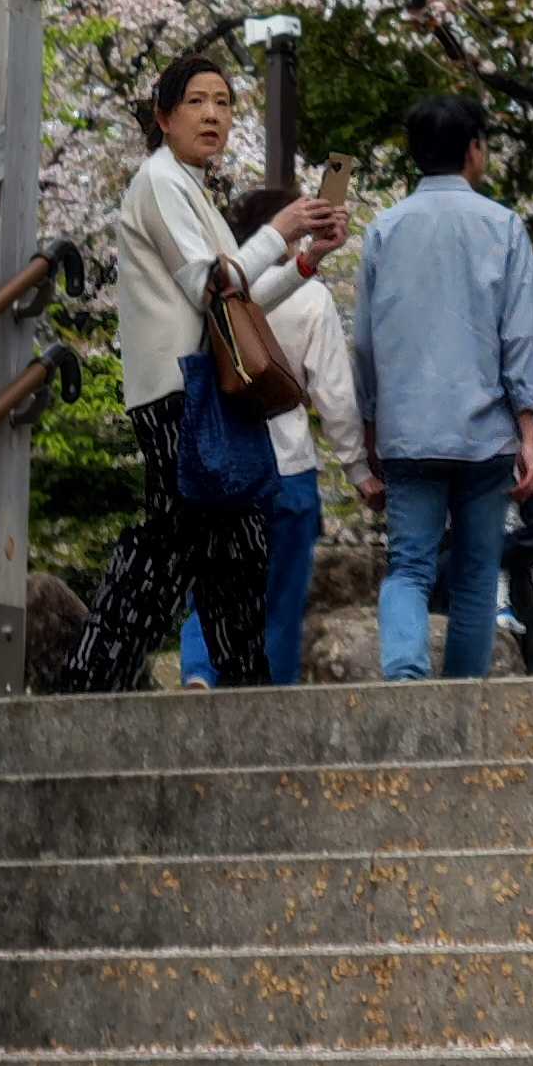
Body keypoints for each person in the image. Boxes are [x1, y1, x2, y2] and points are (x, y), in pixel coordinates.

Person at [64, 47, 278, 692]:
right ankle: (93, 678)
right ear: (163, 116)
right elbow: (209, 284)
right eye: (196, 102)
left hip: (198, 387)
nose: (213, 114)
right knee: (172, 540)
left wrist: (297, 265)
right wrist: (280, 231)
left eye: (223, 102)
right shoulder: (160, 181)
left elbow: (238, 300)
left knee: (235, 544)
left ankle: (246, 683)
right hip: (178, 391)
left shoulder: (190, 187)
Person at [351, 89, 533, 685]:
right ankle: (461, 703)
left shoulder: (383, 231)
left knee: (407, 567)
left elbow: (364, 343)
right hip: (483, 434)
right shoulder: (504, 227)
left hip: (407, 432)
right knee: (474, 573)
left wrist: (368, 432)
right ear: (474, 150)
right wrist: (530, 435)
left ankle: (406, 679)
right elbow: (520, 340)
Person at [184, 176, 366, 691]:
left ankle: (200, 671)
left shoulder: (209, 294)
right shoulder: (311, 300)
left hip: (219, 462)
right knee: (281, 603)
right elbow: (335, 396)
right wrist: (357, 469)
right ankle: (273, 703)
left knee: (212, 581)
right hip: (288, 470)